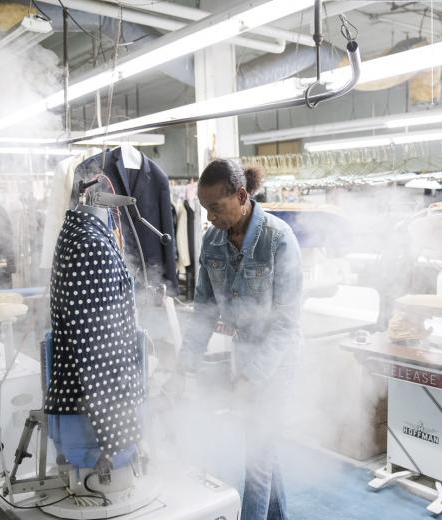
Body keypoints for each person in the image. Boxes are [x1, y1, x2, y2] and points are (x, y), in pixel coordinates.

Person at [167, 159, 303, 520]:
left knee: (257, 456)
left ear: (241, 196)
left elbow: (286, 324)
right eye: (205, 208)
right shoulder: (212, 241)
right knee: (265, 451)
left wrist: (252, 377)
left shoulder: (279, 240)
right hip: (243, 352)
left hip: (278, 357)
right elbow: (204, 313)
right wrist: (183, 369)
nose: (209, 217)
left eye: (216, 207)